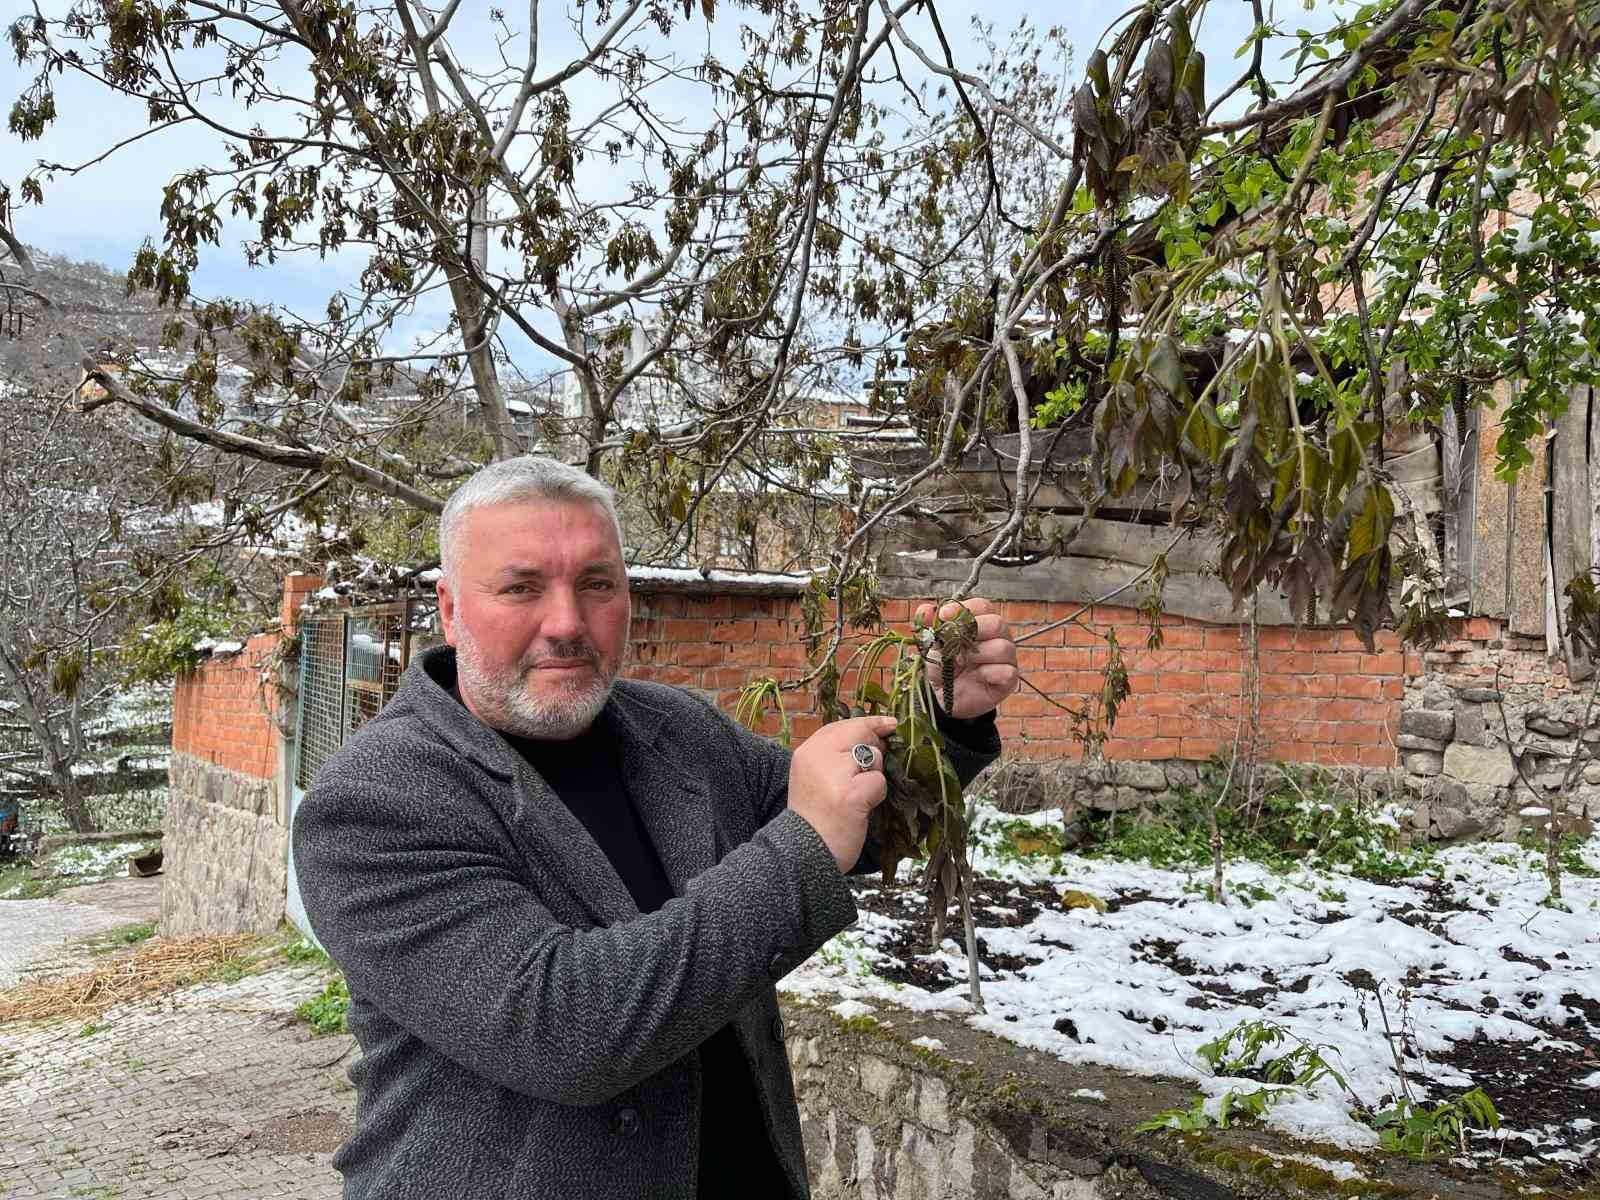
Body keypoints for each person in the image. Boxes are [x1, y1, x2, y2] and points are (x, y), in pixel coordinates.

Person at [292, 456, 1020, 1200]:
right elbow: (565, 1028)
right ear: (450, 609)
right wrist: (803, 846)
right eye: (521, 588)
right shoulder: (376, 802)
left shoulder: (674, 729)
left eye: (597, 584)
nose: (568, 623)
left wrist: (941, 718)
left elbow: (857, 829)